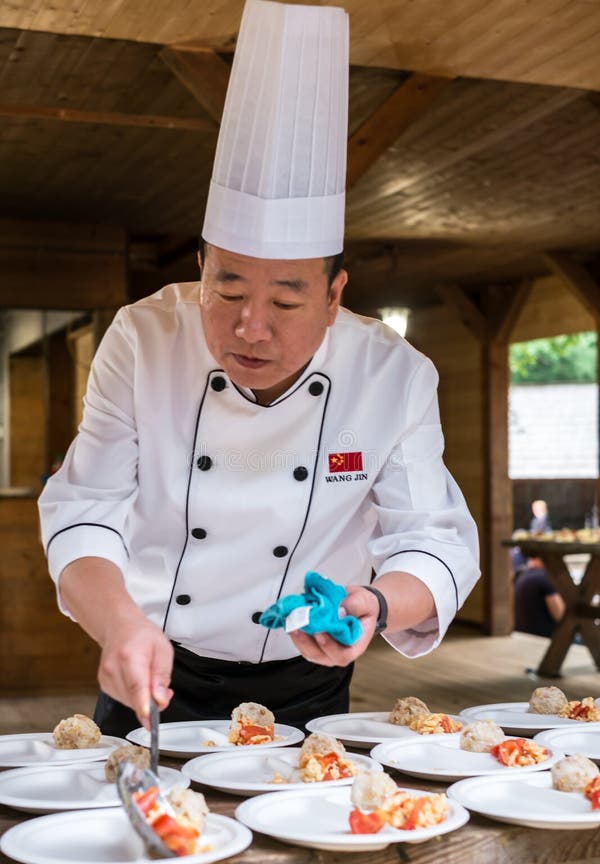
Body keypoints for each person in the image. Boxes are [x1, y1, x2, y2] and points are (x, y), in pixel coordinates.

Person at [37, 0, 480, 740]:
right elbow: (85, 510)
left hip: (307, 684)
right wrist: (119, 628)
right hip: (152, 665)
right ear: (199, 270)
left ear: (335, 297)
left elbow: (432, 539)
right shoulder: (143, 338)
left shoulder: (392, 375)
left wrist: (375, 602)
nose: (251, 327)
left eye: (285, 300)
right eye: (230, 289)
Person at [514, 552, 565, 638]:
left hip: (522, 635)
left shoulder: (522, 576)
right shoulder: (545, 578)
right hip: (544, 638)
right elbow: (561, 616)